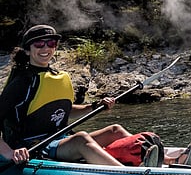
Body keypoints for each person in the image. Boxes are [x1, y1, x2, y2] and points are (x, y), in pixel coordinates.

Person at [0, 24, 134, 167]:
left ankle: (157, 163)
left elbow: (64, 111)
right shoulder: (21, 82)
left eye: (50, 43)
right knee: (81, 139)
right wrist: (9, 153)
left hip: (60, 140)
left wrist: (93, 106)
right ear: (27, 50)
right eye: (39, 44)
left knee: (115, 131)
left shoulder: (57, 77)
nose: (45, 48)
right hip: (33, 147)